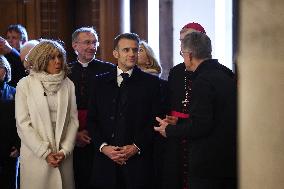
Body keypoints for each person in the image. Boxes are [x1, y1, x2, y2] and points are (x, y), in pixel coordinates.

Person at [155, 32, 237, 189]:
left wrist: (170, 130)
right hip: (228, 161)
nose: (183, 58)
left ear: (190, 55)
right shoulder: (225, 75)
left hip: (208, 166)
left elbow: (201, 126)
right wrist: (181, 121)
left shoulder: (202, 80)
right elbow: (215, 118)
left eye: (182, 53)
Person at [87, 33, 162, 189]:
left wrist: (136, 147)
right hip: (105, 163)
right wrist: (104, 147)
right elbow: (92, 120)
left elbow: (155, 120)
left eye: (135, 50)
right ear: (116, 53)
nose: (132, 54)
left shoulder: (152, 83)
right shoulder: (99, 82)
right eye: (126, 50)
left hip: (138, 164)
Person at [15, 39, 79, 189]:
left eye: (60, 56)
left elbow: (73, 121)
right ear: (42, 59)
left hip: (62, 156)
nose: (57, 61)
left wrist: (65, 150)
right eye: (52, 57)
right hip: (36, 156)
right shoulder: (25, 84)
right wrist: (44, 152)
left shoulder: (68, 84)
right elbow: (23, 124)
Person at [160, 22, 207, 189]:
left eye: (187, 40)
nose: (183, 45)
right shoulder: (176, 71)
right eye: (181, 41)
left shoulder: (210, 72)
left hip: (200, 134)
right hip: (175, 135)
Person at [69, 26, 114, 189]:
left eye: (95, 42)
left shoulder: (109, 70)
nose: (92, 47)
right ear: (75, 45)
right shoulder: (64, 71)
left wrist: (92, 132)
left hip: (101, 135)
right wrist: (74, 134)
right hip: (70, 135)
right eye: (87, 42)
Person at [0, 55, 20, 189]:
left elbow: (21, 122)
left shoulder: (16, 92)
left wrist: (19, 146)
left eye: (0, 67)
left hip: (10, 151)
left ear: (6, 70)